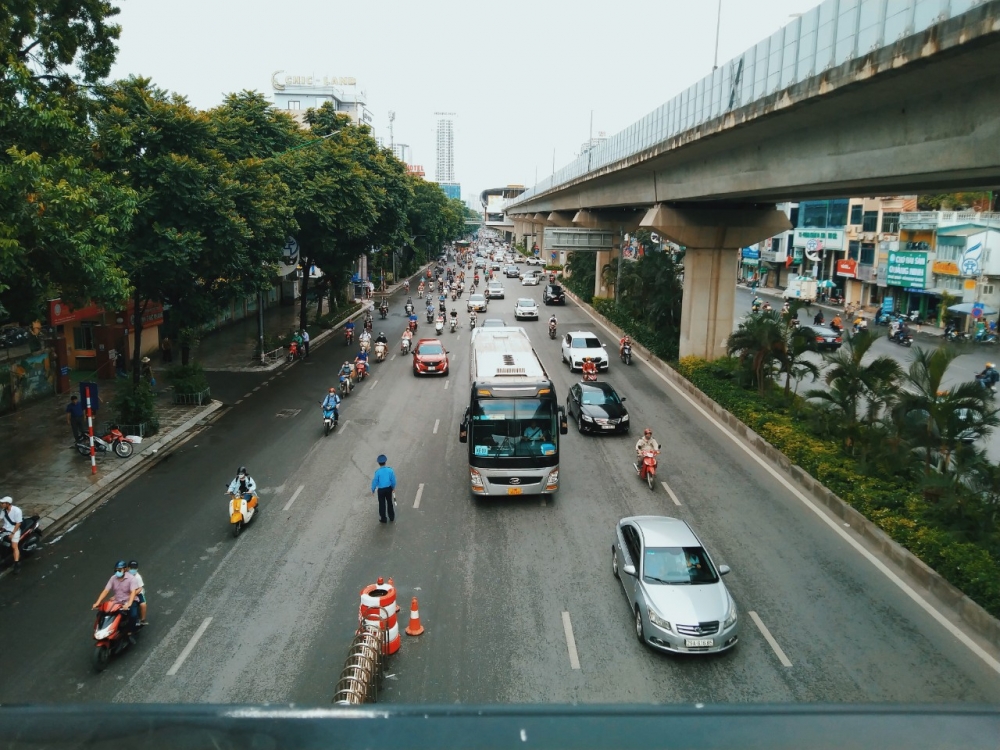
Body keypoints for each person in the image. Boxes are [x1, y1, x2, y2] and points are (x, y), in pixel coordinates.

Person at [92, 560, 140, 638]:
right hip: (117, 601)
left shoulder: (131, 579)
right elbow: (106, 590)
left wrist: (129, 604)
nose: (117, 572)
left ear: (125, 569)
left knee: (133, 615)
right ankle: (102, 630)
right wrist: (97, 602)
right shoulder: (113, 578)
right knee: (101, 613)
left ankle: (132, 631)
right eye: (116, 570)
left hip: (129, 601)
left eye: (119, 570)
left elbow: (133, 592)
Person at [370, 454, 397, 523]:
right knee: (389, 502)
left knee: (382, 504)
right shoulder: (390, 470)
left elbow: (375, 481)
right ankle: (391, 517)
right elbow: (393, 480)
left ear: (379, 463)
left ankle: (383, 518)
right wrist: (393, 487)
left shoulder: (377, 472)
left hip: (381, 490)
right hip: (388, 489)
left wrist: (372, 489)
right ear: (385, 462)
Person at [0, 497, 23, 573]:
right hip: (5, 529)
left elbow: (18, 523)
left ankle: (17, 563)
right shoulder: (3, 511)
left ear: (7, 504)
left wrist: (12, 534)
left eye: (2, 503)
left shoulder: (17, 511)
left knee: (14, 546)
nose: (1, 505)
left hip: (15, 530)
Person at [128, 560, 148, 626]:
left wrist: (133, 594)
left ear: (137, 569)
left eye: (134, 568)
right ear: (128, 568)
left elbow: (140, 588)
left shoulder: (138, 577)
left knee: (143, 604)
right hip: (128, 592)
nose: (133, 570)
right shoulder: (125, 575)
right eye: (131, 568)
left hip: (138, 593)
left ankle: (143, 620)